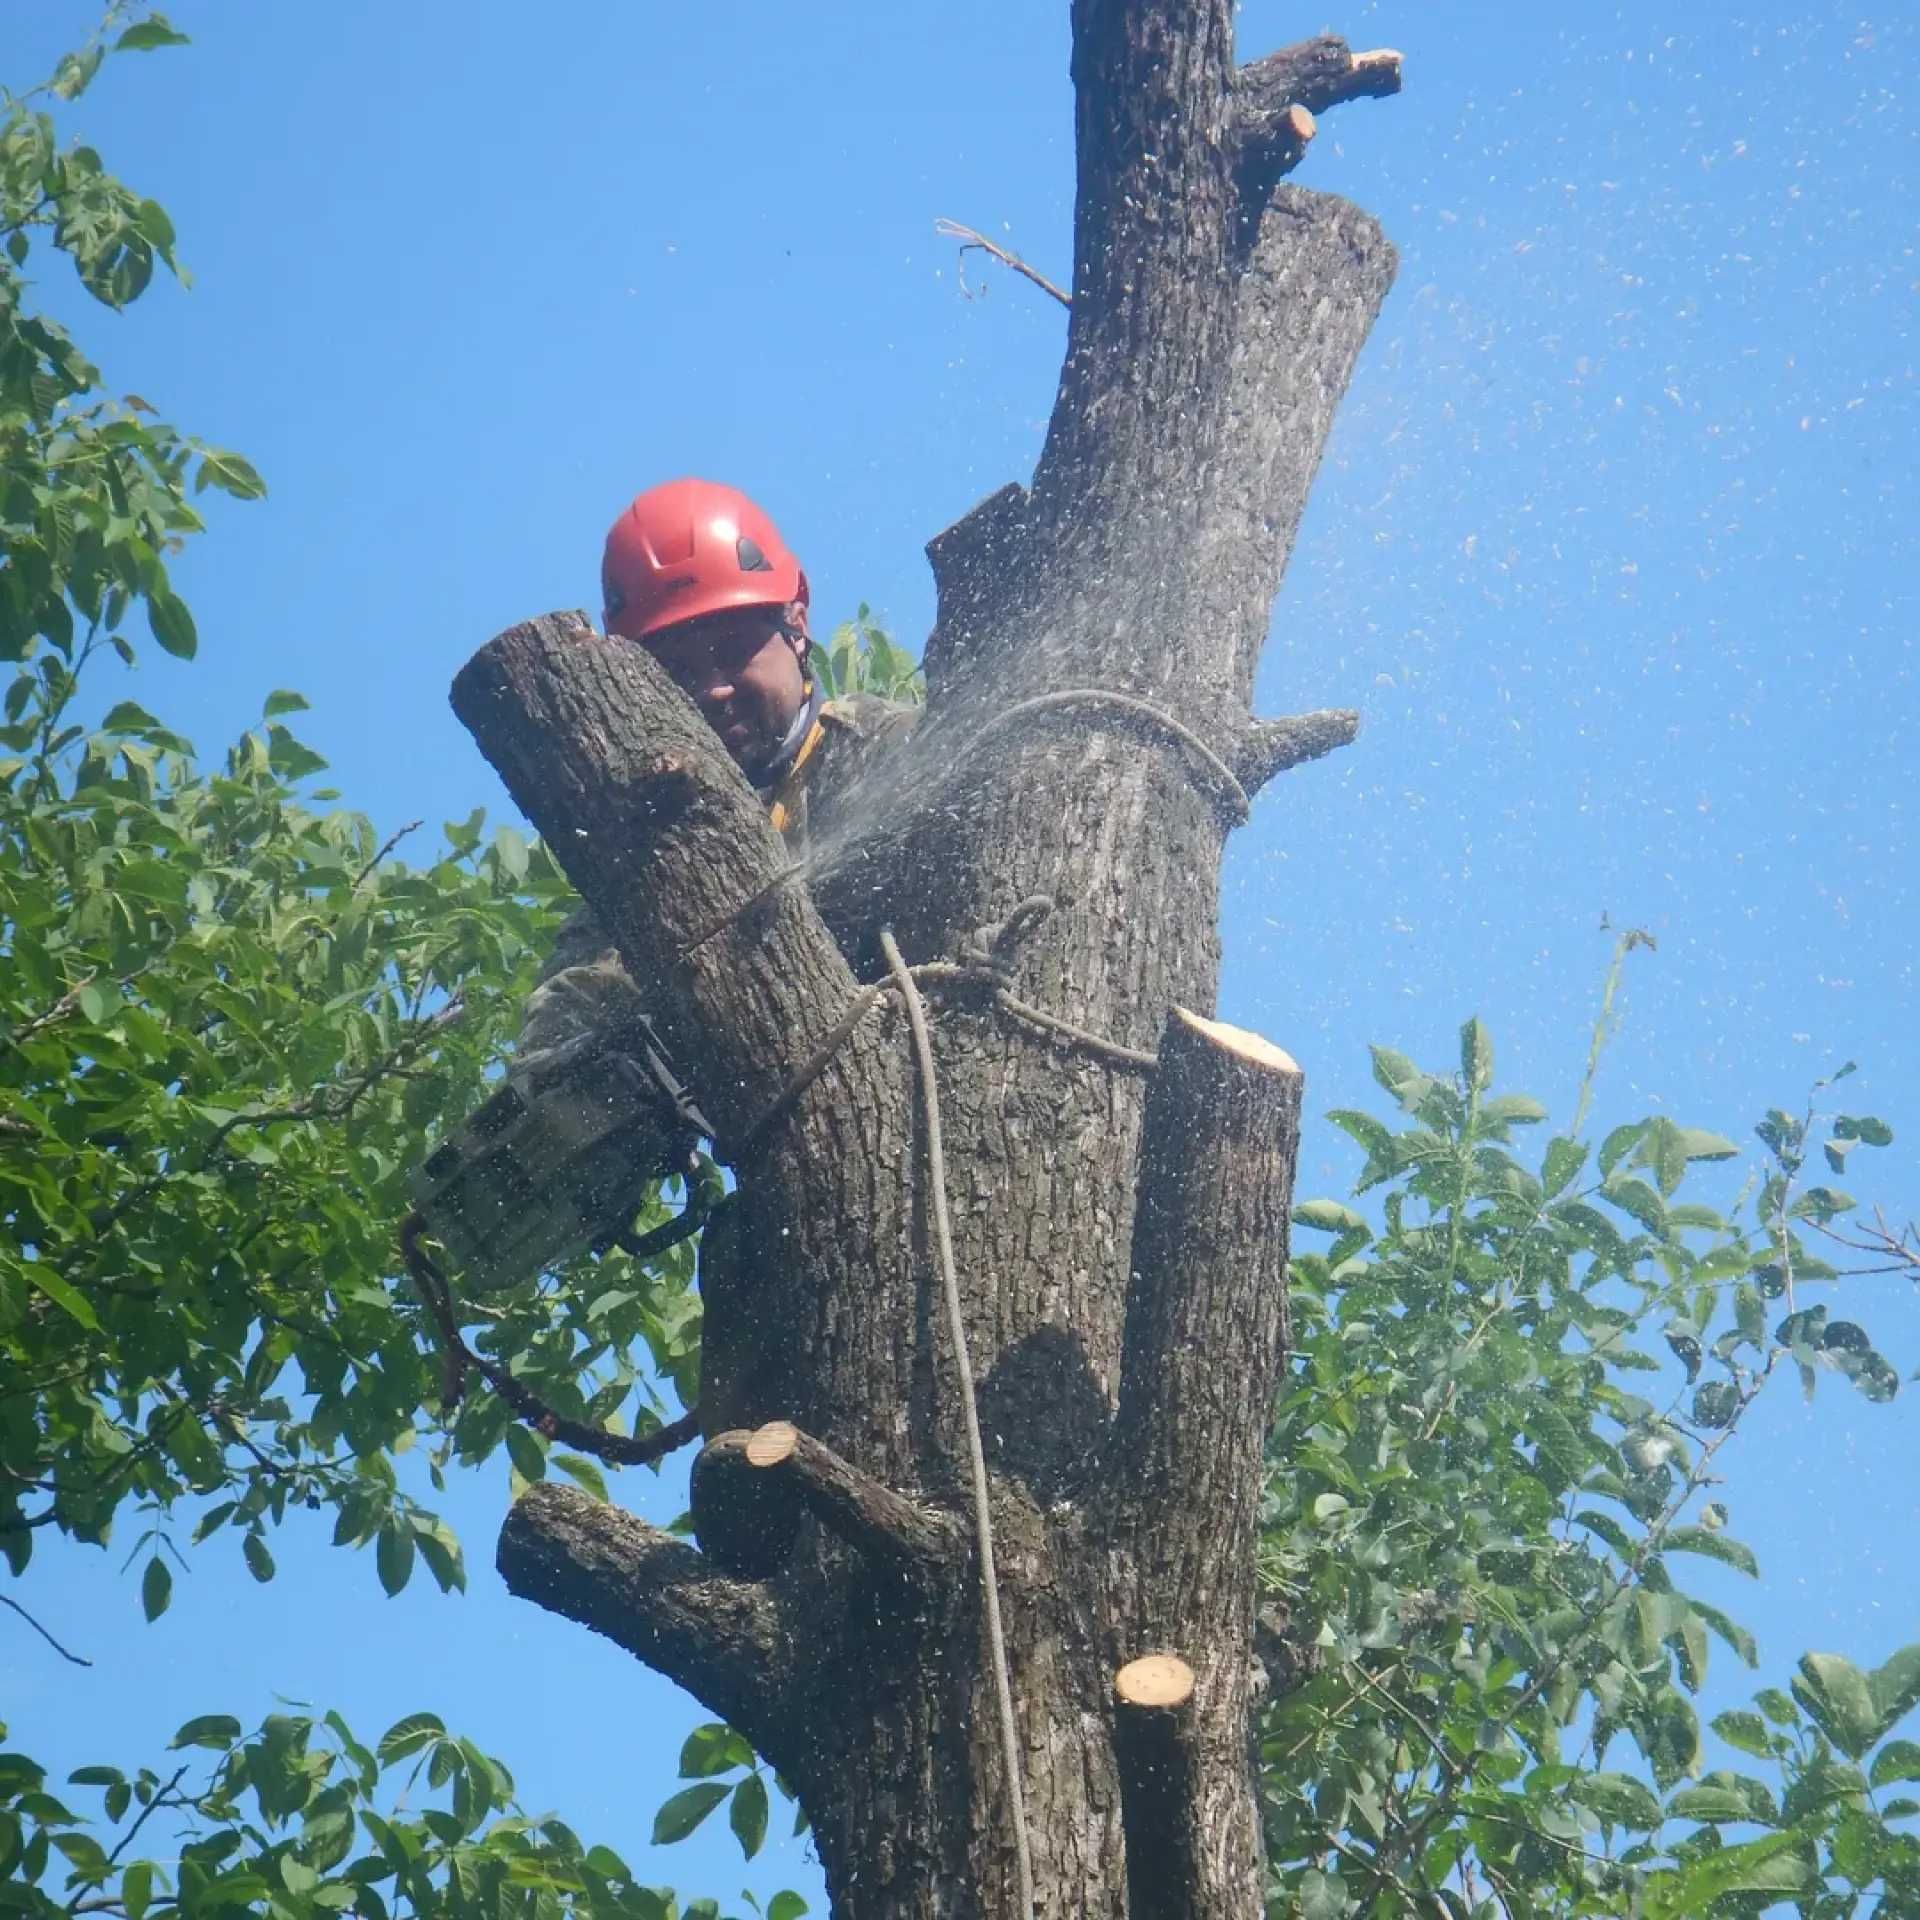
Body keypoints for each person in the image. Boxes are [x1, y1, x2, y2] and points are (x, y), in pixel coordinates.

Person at [410, 479, 914, 1288]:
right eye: (675, 670)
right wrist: (569, 1100)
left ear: (796, 617)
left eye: (728, 647)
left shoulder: (893, 754)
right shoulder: (651, 852)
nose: (711, 687)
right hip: (802, 1206)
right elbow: (575, 999)